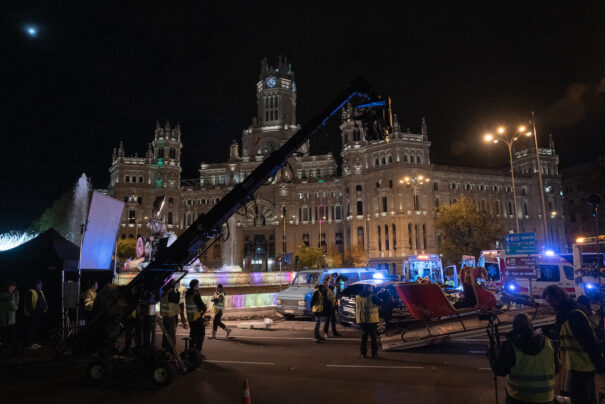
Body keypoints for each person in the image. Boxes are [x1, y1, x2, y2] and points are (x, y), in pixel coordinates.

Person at [542, 285, 602, 404]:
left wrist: (599, 364)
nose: (549, 304)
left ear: (558, 298)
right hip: (574, 367)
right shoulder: (565, 314)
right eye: (547, 302)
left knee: (583, 399)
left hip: (582, 368)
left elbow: (590, 342)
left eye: (551, 301)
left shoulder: (574, 314)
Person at [489, 313, 559, 404]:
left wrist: (491, 353)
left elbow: (500, 370)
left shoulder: (510, 345)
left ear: (514, 327)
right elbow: (557, 369)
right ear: (531, 325)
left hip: (518, 397)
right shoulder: (549, 344)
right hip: (546, 398)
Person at [355, 284, 381, 358]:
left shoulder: (358, 297)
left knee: (364, 338)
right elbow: (380, 303)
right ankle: (374, 353)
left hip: (362, 320)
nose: (372, 288)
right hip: (371, 320)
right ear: (368, 288)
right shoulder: (372, 296)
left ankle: (363, 353)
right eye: (371, 287)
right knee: (373, 338)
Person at [24, 279, 47, 350]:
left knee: (35, 329)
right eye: (40, 284)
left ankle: (33, 342)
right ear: (36, 285)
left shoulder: (40, 292)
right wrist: (32, 313)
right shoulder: (30, 292)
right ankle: (29, 344)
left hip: (38, 314)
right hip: (32, 315)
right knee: (30, 329)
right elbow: (28, 303)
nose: (41, 285)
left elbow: (42, 301)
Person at [185, 279, 207, 354]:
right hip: (197, 317)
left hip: (190, 317)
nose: (198, 287)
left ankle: (191, 351)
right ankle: (198, 352)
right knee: (201, 334)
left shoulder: (187, 294)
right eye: (198, 285)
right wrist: (202, 312)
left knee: (193, 334)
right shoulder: (195, 294)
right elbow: (203, 307)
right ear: (195, 286)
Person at [159, 282, 180, 351]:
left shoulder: (164, 292)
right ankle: (171, 349)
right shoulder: (172, 292)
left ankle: (165, 347)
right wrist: (178, 293)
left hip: (165, 315)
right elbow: (176, 301)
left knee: (165, 332)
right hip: (171, 315)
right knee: (171, 333)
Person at [0, 281, 20, 353]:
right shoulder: (5, 296)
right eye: (12, 287)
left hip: (9, 319)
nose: (14, 288)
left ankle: (14, 349)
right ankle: (15, 350)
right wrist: (14, 297)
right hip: (6, 319)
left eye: (15, 287)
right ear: (8, 286)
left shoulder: (9, 295)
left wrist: (16, 297)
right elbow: (14, 308)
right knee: (6, 335)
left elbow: (15, 305)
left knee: (9, 336)